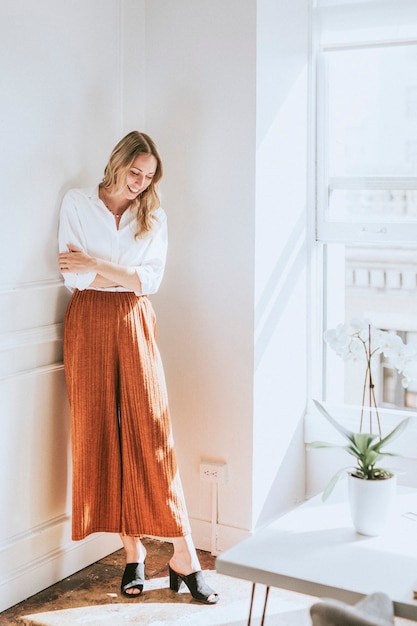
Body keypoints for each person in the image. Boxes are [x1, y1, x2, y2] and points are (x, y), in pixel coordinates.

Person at [58, 131, 218, 604]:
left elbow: (149, 281)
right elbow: (74, 275)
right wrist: (113, 271)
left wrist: (97, 264)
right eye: (135, 173)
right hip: (87, 320)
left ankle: (183, 552)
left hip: (133, 320)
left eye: (148, 178)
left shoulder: (154, 215)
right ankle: (132, 553)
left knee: (152, 435)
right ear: (117, 163)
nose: (140, 184)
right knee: (103, 432)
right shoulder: (77, 202)